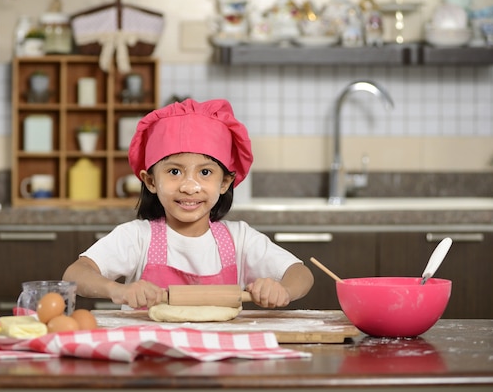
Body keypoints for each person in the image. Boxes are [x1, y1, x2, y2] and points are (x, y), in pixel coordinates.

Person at [63, 98, 313, 309]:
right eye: (174, 172)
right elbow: (75, 274)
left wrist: (283, 290)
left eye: (205, 173)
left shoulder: (240, 240)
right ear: (150, 181)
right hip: (150, 356)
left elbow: (300, 274)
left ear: (225, 183)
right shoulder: (137, 238)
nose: (189, 186)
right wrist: (115, 290)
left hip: (221, 357)